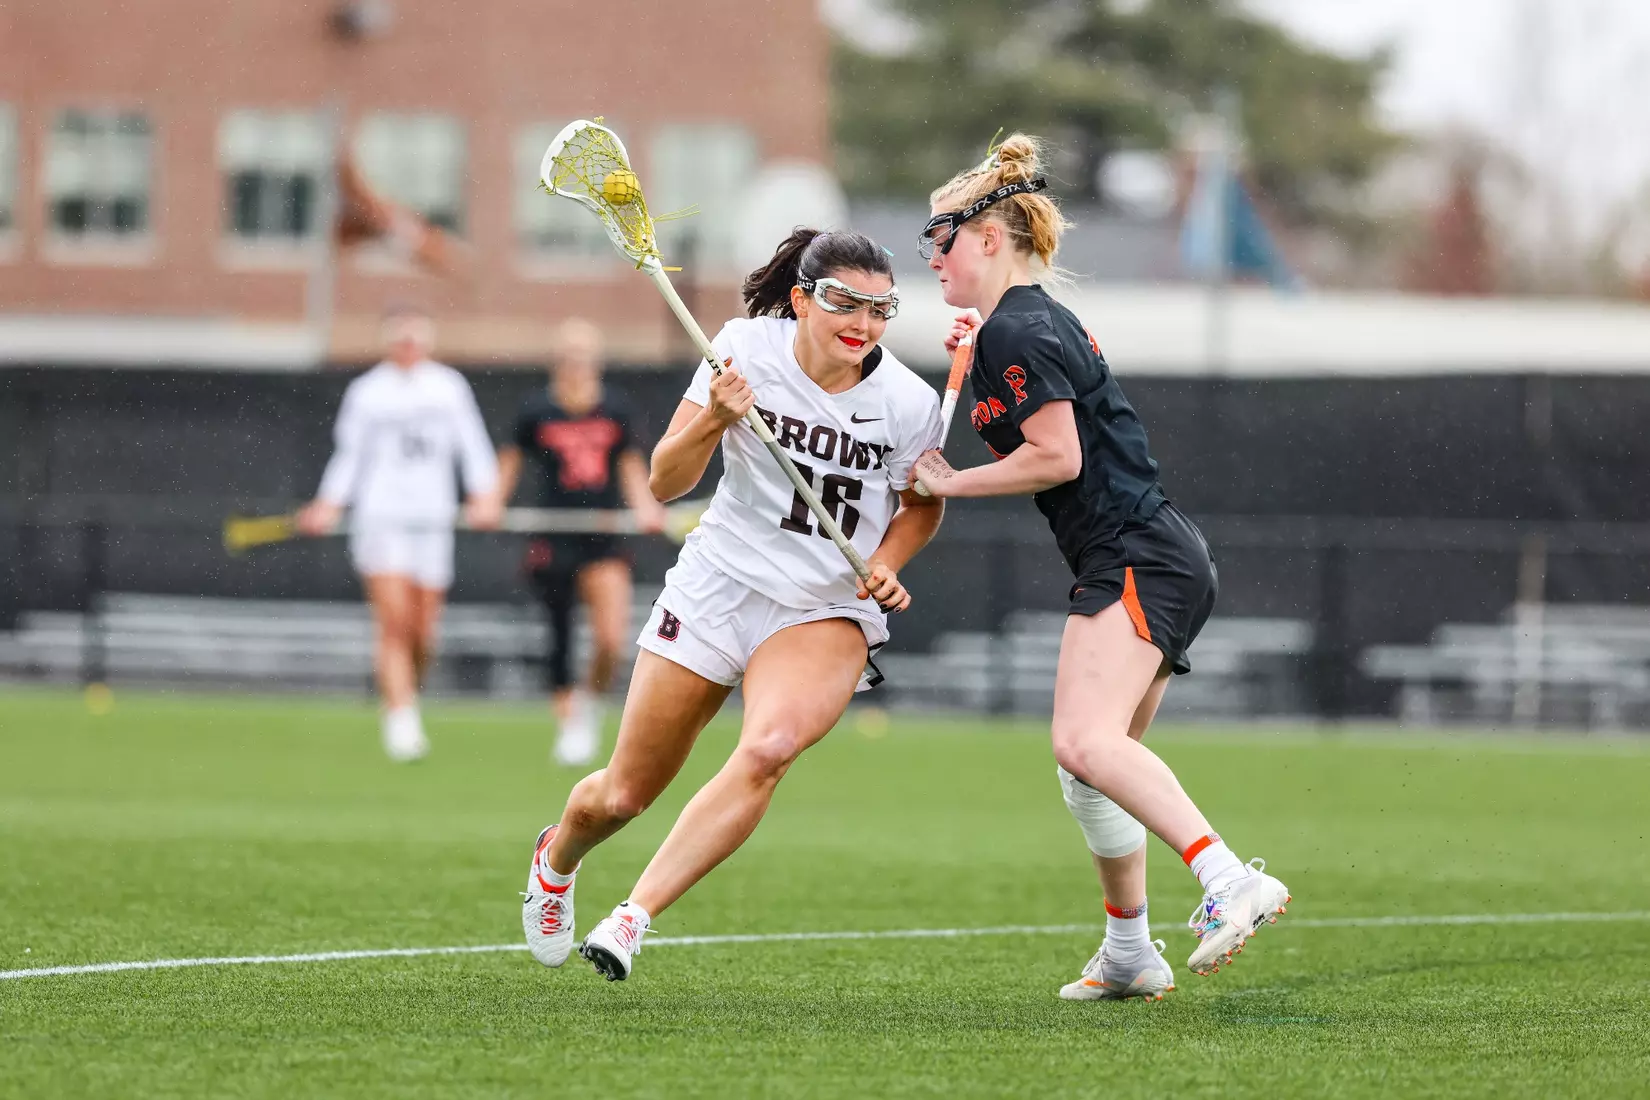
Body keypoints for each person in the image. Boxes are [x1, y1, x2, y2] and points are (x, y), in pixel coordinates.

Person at [911, 136, 1291, 999]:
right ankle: (1129, 952)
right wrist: (972, 370)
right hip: (1153, 552)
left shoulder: (1020, 326)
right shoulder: (1019, 323)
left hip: (1134, 554)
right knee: (1091, 764)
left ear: (990, 239)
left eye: (943, 238)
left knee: (1083, 742)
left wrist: (953, 482)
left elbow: (1060, 457)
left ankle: (1231, 880)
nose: (931, 256)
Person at [520, 229, 945, 981]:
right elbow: (662, 482)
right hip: (719, 586)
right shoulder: (743, 348)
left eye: (881, 309)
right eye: (845, 302)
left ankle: (632, 916)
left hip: (822, 608)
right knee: (618, 797)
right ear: (802, 298)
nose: (864, 324)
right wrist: (716, 416)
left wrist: (885, 562)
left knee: (769, 749)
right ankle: (556, 860)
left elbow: (921, 506)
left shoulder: (909, 402)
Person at [298, 306, 502, 761]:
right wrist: (329, 503)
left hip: (432, 518)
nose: (408, 348)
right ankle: (401, 717)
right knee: (393, 621)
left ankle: (405, 694)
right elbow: (349, 456)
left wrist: (484, 494)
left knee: (423, 629)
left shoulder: (448, 387)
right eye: (400, 340)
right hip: (382, 516)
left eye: (415, 339)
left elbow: (472, 445)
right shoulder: (367, 392)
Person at [496, 319, 667, 767]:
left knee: (611, 638)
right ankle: (567, 723)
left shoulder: (615, 409)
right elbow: (509, 466)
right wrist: (491, 503)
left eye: (584, 355)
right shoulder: (536, 410)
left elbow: (631, 467)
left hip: (602, 534)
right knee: (560, 635)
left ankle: (588, 709)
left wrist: (645, 508)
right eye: (569, 355)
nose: (576, 364)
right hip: (554, 534)